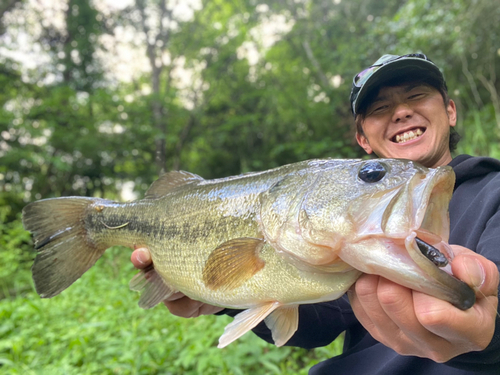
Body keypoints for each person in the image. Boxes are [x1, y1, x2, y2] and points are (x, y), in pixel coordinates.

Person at [130, 53, 500, 374]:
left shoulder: (493, 191)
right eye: (380, 109)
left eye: (416, 96)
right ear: (363, 140)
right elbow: (325, 320)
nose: (401, 112)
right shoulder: (346, 226)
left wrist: (491, 341)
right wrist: (224, 296)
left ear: (450, 111)